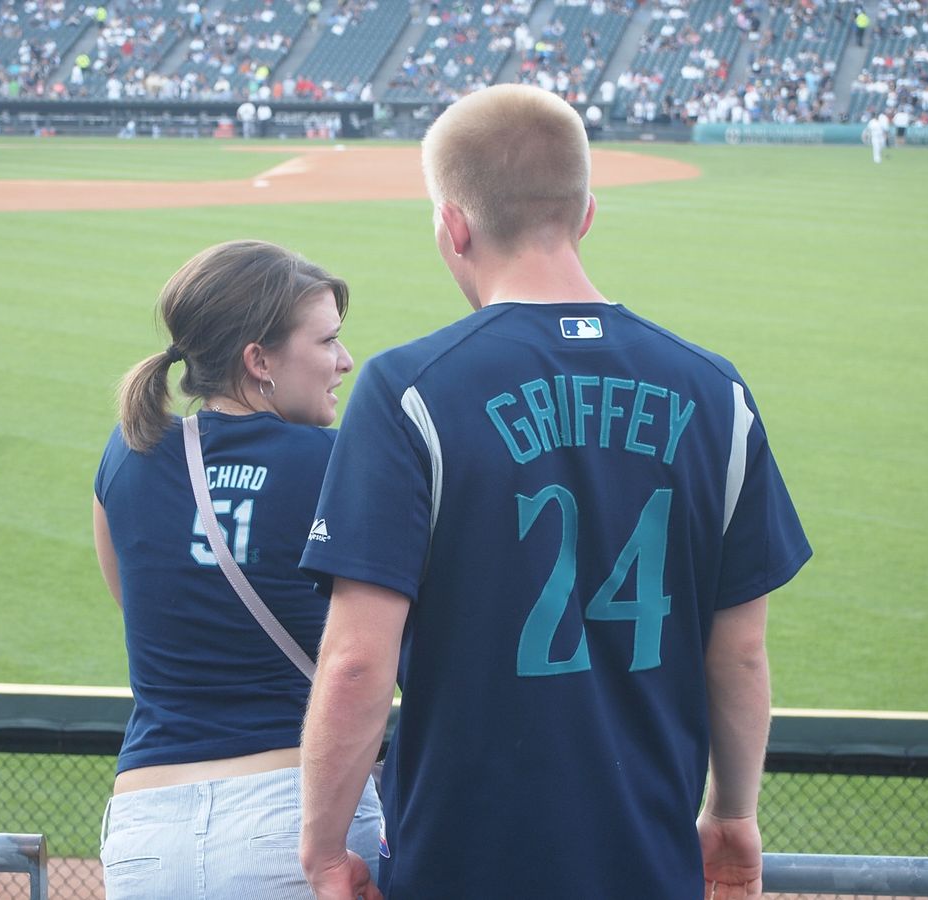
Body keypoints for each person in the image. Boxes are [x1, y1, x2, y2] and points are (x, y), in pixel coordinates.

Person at [298, 84, 811, 900]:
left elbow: (359, 663)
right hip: (647, 855)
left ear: (454, 227)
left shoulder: (409, 389)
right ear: (585, 215)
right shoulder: (717, 391)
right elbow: (741, 652)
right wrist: (734, 814)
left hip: (459, 861)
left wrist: (325, 847)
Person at [93, 240, 381, 899]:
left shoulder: (126, 452)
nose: (344, 361)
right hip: (292, 823)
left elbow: (132, 598)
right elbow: (384, 645)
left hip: (145, 837)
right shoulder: (336, 464)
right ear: (259, 361)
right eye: (327, 341)